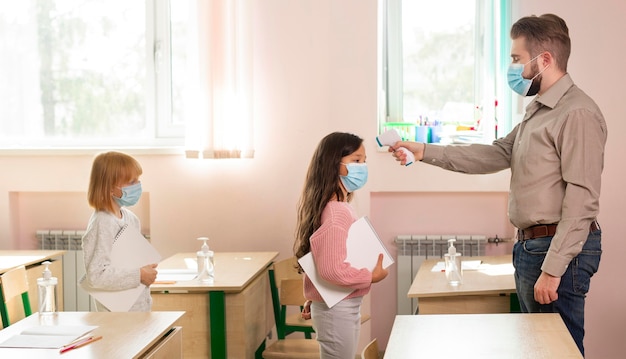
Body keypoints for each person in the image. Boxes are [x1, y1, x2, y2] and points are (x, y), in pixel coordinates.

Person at [388, 14, 606, 356]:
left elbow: (582, 201)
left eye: (517, 58)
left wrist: (552, 269)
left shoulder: (575, 113)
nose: (512, 67)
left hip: (555, 249)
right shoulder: (539, 110)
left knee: (556, 351)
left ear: (545, 60)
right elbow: (496, 153)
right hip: (533, 246)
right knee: (537, 349)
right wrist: (424, 150)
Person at [294, 132, 389, 359]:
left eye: (364, 161)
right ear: (333, 164)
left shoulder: (336, 206)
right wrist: (371, 276)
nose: (362, 167)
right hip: (338, 310)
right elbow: (332, 270)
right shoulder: (336, 212)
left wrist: (316, 295)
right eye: (356, 161)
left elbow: (324, 258)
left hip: (337, 305)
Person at [81, 151, 158, 312]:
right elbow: (97, 275)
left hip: (138, 309)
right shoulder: (102, 223)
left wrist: (145, 267)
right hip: (116, 315)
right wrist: (140, 275)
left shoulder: (131, 219)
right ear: (110, 188)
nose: (138, 185)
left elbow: (127, 262)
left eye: (138, 180)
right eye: (131, 182)